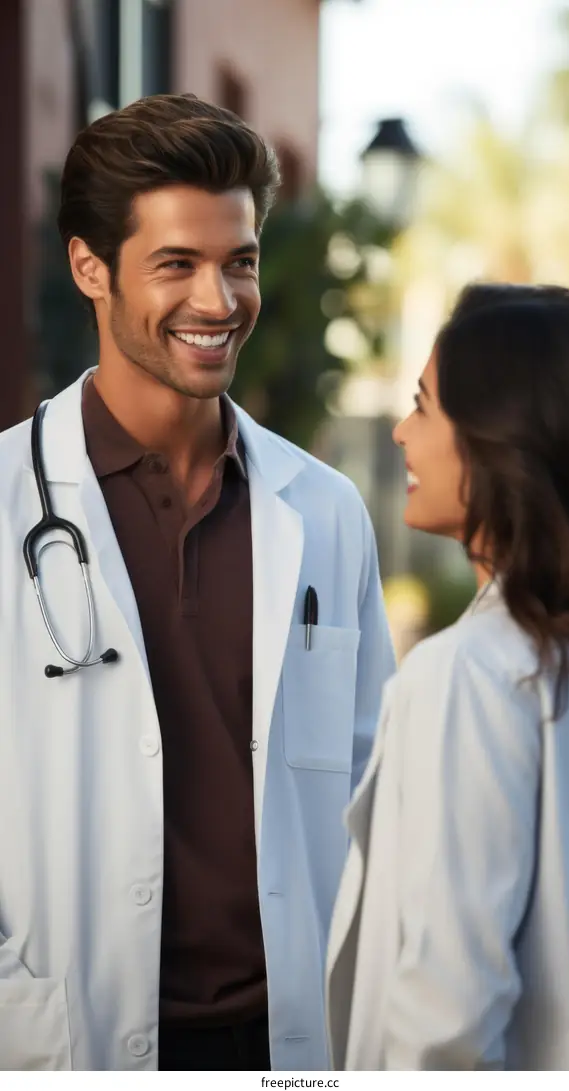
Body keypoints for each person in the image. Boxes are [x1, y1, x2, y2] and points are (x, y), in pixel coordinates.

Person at [0, 94, 395, 1072]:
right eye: (177, 264)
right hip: (65, 1033)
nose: (219, 301)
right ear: (90, 266)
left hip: (292, 1036)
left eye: (241, 261)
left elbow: (371, 791)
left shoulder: (327, 510)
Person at [326, 282, 569, 1071]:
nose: (402, 432)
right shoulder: (563, 660)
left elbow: (447, 1010)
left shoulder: (470, 673)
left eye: (423, 405)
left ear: (498, 439)